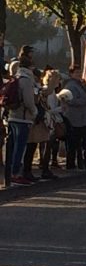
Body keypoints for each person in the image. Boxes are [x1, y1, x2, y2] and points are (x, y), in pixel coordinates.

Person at [7, 54, 38, 185]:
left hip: (12, 115)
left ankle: (11, 173)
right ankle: (15, 174)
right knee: (20, 147)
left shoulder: (16, 77)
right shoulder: (26, 79)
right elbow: (28, 100)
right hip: (23, 117)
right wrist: (34, 111)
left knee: (13, 146)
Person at [63, 65, 86, 171]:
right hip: (75, 118)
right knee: (74, 143)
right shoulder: (70, 86)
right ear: (71, 74)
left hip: (83, 118)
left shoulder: (80, 84)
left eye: (79, 72)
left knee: (85, 142)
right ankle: (73, 164)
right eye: (76, 72)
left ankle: (84, 163)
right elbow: (70, 101)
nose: (78, 74)